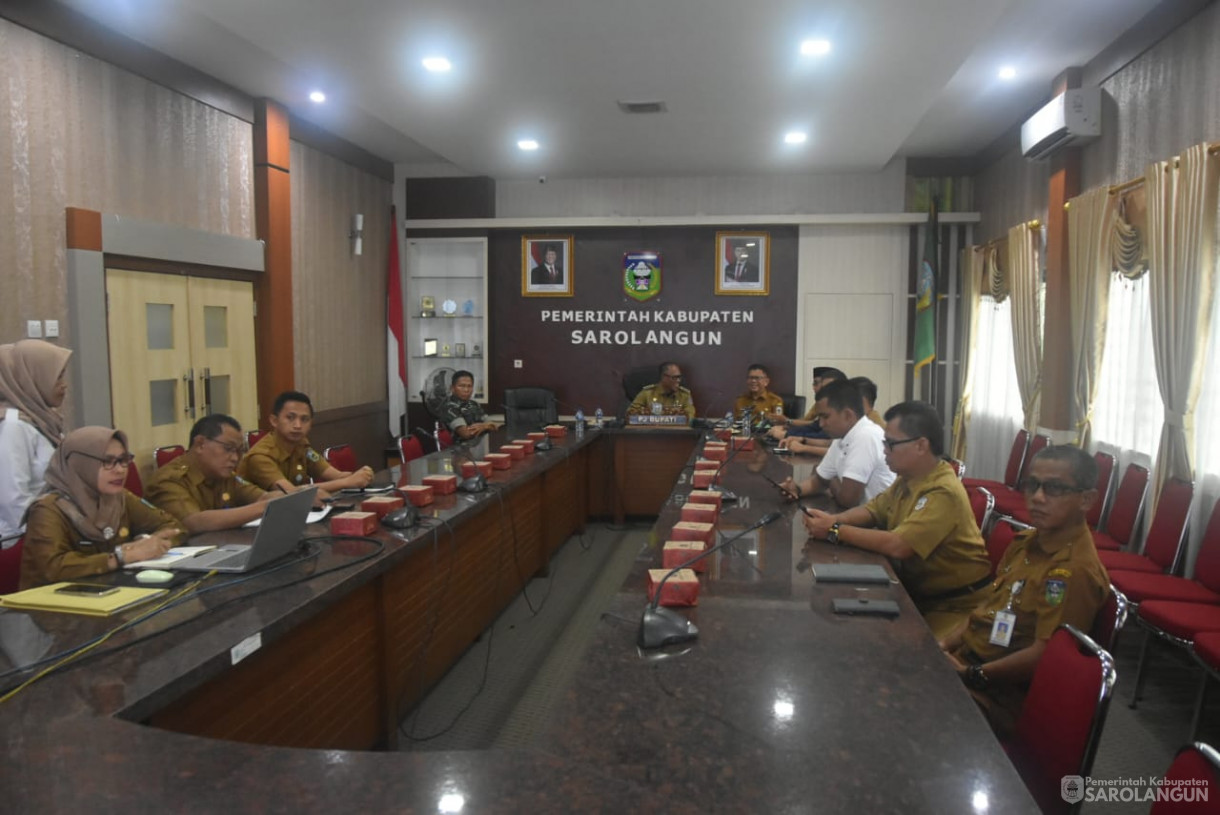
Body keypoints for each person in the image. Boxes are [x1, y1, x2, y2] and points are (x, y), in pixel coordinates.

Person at [940, 445, 1110, 737]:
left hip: (999, 695)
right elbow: (987, 609)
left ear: (1087, 500)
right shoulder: (1025, 544)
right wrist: (942, 645)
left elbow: (1045, 657)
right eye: (1033, 485)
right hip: (968, 663)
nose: (1038, 498)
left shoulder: (1073, 571)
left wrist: (972, 675)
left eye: (1055, 489)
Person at [801, 400, 992, 639]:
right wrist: (833, 519)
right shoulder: (908, 478)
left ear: (921, 445)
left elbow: (899, 545)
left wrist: (834, 530)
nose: (884, 451)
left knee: (918, 657)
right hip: (916, 592)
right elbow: (873, 511)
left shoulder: (943, 491)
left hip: (956, 604)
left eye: (890, 444)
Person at [19, 427, 183, 589]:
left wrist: (150, 541)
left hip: (108, 593)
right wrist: (120, 558)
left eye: (123, 460)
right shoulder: (48, 509)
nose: (120, 470)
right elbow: (52, 568)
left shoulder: (120, 499)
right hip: (50, 607)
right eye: (108, 462)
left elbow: (174, 526)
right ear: (79, 464)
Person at [146, 414, 275, 532]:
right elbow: (195, 522)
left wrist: (283, 499)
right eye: (228, 449)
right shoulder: (168, 480)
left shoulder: (223, 475)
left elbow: (261, 497)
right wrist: (263, 508)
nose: (235, 458)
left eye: (239, 451)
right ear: (200, 444)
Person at [779, 380, 894, 507]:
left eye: (825, 417)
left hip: (878, 524)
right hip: (856, 516)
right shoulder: (842, 436)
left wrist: (832, 480)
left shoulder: (866, 436)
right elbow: (819, 480)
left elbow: (848, 500)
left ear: (847, 415)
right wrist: (797, 489)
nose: (821, 424)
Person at [0, 339, 73, 539]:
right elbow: (13, 501)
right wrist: (52, 533)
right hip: (24, 540)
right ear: (30, 379)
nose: (64, 385)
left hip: (48, 528)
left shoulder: (41, 420)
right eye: (57, 377)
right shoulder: (13, 427)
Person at [237, 391, 374, 496]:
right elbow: (290, 493)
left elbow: (336, 475)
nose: (297, 425)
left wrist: (361, 475)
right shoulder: (260, 456)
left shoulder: (301, 446)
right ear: (274, 421)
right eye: (290, 418)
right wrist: (347, 482)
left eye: (304, 419)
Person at [769, 366, 847, 453]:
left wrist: (786, 434)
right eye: (823, 388)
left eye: (829, 388)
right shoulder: (826, 405)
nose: (823, 391)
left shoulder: (843, 411)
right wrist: (788, 432)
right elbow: (813, 426)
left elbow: (824, 437)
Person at [438, 371, 500, 440]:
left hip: (478, 446)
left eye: (469, 386)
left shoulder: (474, 404)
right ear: (452, 388)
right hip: (460, 448)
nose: (466, 390)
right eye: (462, 386)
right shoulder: (449, 407)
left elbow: (494, 426)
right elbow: (467, 434)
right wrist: (486, 426)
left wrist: (484, 426)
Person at [628, 361, 696, 420]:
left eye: (679, 377)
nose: (678, 381)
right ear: (664, 377)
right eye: (674, 378)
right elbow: (631, 413)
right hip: (651, 432)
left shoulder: (684, 395)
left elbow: (690, 417)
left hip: (677, 433)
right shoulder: (647, 393)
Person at [732, 364, 784, 429]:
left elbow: (778, 426)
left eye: (757, 378)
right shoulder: (740, 400)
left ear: (766, 382)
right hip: (743, 435)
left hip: (765, 436)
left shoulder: (775, 400)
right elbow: (735, 425)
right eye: (750, 378)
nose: (753, 381)